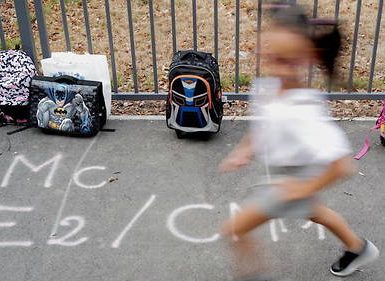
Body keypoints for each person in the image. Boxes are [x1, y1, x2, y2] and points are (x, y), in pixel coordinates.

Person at [219, 3, 379, 279]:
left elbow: (343, 166)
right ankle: (358, 247)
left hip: (290, 183)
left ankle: (251, 272)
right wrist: (245, 149)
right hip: (288, 175)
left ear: (306, 59)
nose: (275, 68)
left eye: (286, 61)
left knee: (233, 230)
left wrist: (303, 188)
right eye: (269, 56)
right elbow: (263, 126)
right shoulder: (266, 88)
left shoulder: (304, 110)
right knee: (315, 211)